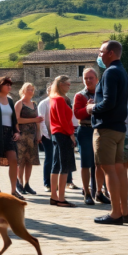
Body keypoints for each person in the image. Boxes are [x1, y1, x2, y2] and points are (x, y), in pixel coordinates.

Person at [88, 40, 128, 225]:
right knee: (119, 170)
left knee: (109, 170)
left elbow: (108, 102)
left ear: (111, 53)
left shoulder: (110, 72)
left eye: (101, 52)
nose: (100, 55)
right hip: (119, 127)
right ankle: (124, 211)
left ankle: (115, 213)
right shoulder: (122, 71)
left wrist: (91, 108)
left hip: (106, 127)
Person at [0, 76, 22, 198]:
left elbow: (14, 119)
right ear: (0, 86)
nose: (9, 87)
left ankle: (13, 190)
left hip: (9, 134)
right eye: (7, 84)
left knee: (14, 160)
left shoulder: (11, 100)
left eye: (10, 85)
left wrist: (17, 132)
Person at [73, 69, 101, 205]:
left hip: (100, 131)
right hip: (85, 131)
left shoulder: (102, 94)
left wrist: (95, 106)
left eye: (91, 78)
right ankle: (87, 192)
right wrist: (88, 108)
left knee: (100, 163)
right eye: (85, 78)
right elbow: (78, 114)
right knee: (86, 164)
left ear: (96, 78)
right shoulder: (79, 95)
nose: (88, 80)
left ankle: (99, 192)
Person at [48, 75, 76, 207]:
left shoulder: (53, 99)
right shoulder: (59, 99)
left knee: (56, 165)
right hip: (62, 134)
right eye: (67, 84)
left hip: (56, 134)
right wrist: (71, 134)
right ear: (60, 84)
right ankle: (61, 198)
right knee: (64, 166)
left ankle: (54, 196)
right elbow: (63, 120)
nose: (69, 86)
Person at [14, 83, 42, 195]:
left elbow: (38, 120)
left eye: (32, 89)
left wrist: (39, 133)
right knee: (21, 161)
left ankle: (27, 184)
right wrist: (33, 120)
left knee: (30, 161)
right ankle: (19, 183)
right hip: (22, 135)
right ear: (23, 91)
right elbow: (17, 120)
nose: (30, 91)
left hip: (32, 135)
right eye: (28, 89)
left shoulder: (34, 104)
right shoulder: (19, 103)